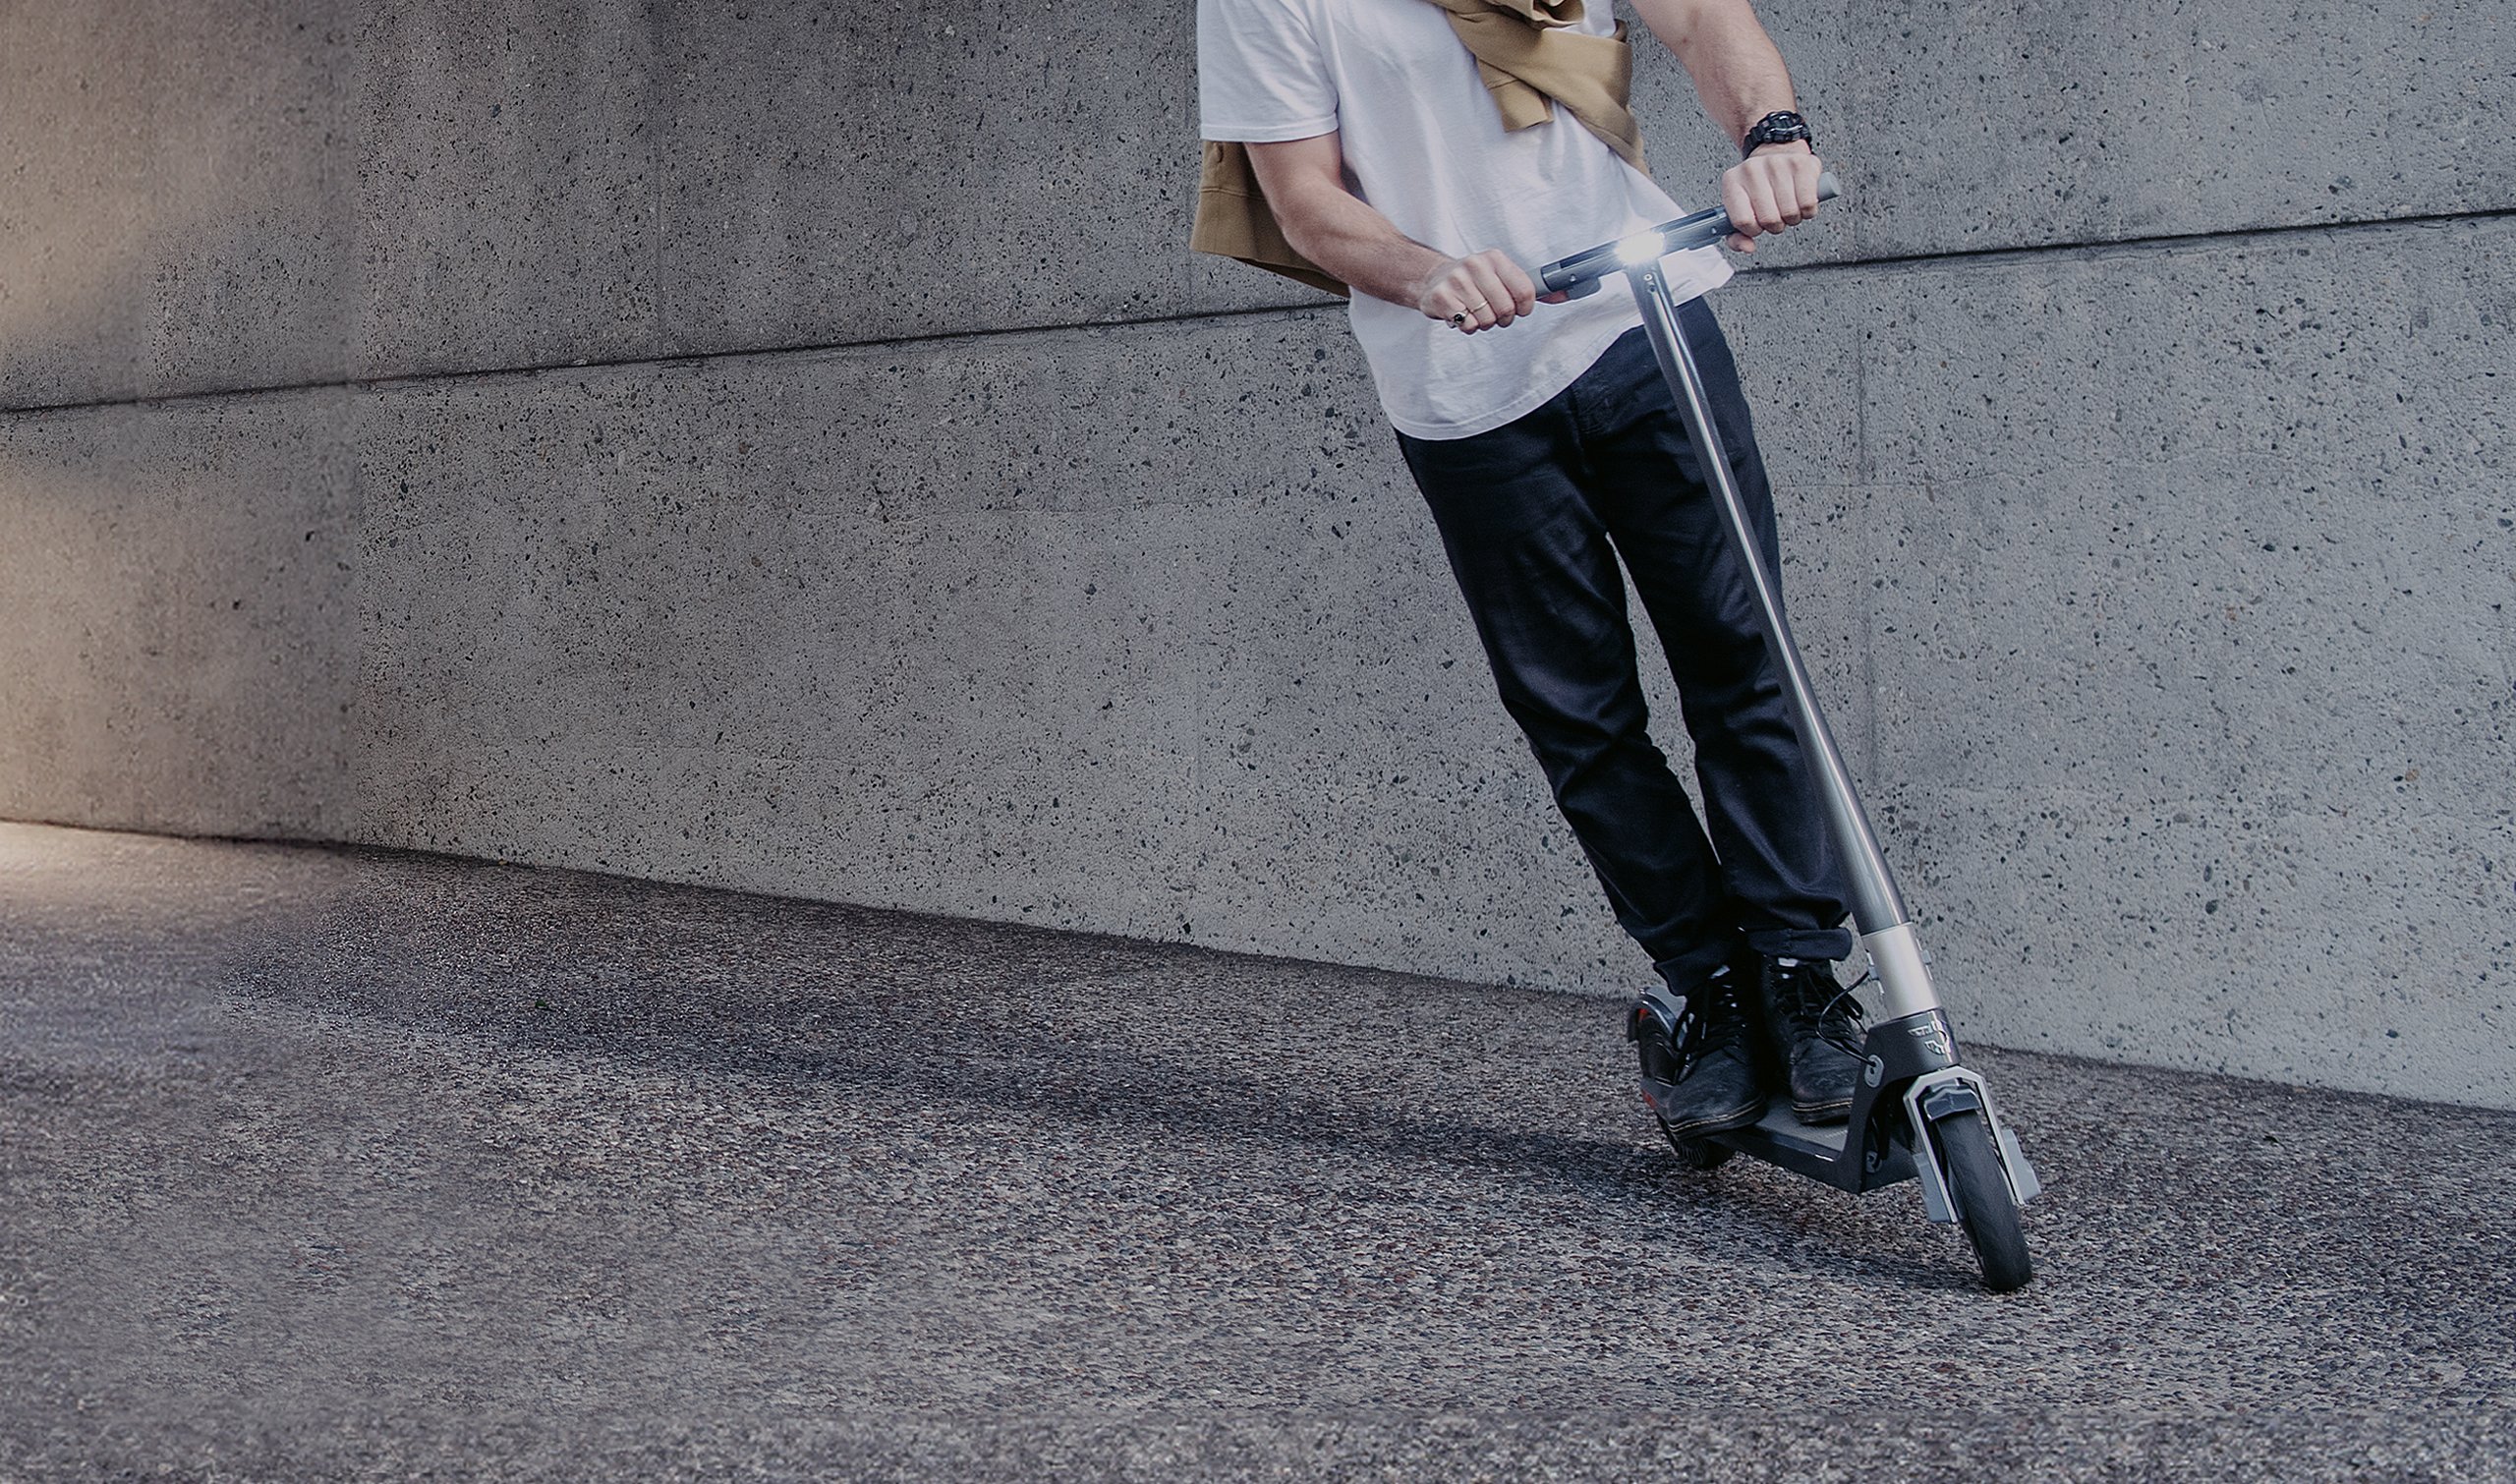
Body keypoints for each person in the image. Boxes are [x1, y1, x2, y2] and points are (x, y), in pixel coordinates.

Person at [1194, 0, 1863, 1139]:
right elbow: (1307, 201)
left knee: (1741, 651)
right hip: (1463, 379)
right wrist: (1426, 274)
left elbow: (1700, 19)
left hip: (1641, 322)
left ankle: (1798, 970)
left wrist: (1774, 137)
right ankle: (1707, 984)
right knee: (1578, 714)